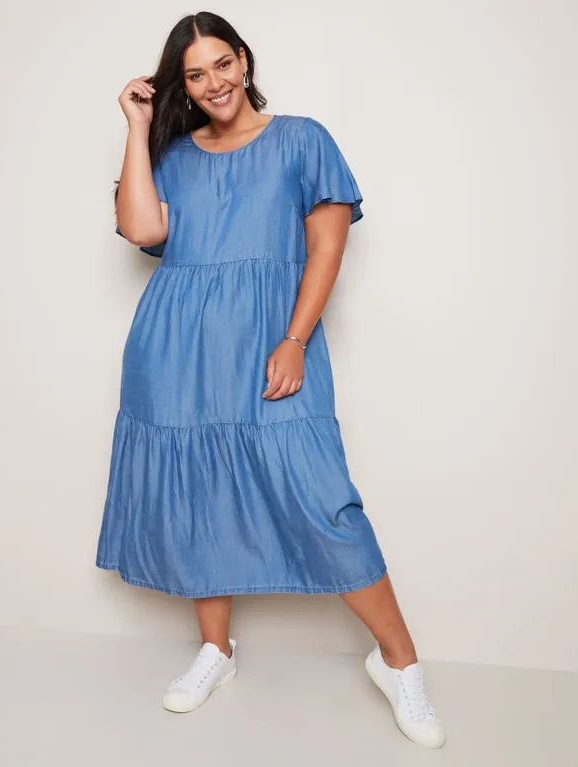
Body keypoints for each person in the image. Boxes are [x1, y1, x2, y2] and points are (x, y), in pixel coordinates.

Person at [96, 11, 446, 749]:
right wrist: (137, 125)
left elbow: (327, 248)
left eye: (222, 64)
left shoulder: (302, 139)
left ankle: (400, 662)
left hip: (269, 343)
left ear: (244, 60)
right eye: (195, 74)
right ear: (182, 85)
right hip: (175, 348)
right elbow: (143, 231)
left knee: (322, 498)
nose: (213, 83)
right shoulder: (173, 153)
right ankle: (215, 650)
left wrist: (294, 339)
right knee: (198, 490)